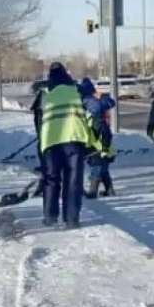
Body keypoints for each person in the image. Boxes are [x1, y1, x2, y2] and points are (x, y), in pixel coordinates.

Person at [39, 63, 97, 229]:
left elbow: (38, 121)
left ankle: (50, 217)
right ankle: (72, 219)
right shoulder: (77, 90)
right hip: (74, 139)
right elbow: (95, 108)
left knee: (51, 179)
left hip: (50, 142)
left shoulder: (45, 94)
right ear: (66, 74)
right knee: (73, 180)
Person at [78, 78, 116, 198]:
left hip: (97, 145)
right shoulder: (97, 104)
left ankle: (93, 191)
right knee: (103, 168)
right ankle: (109, 190)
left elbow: (101, 129)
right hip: (101, 144)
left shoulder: (91, 109)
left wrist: (104, 146)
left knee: (97, 167)